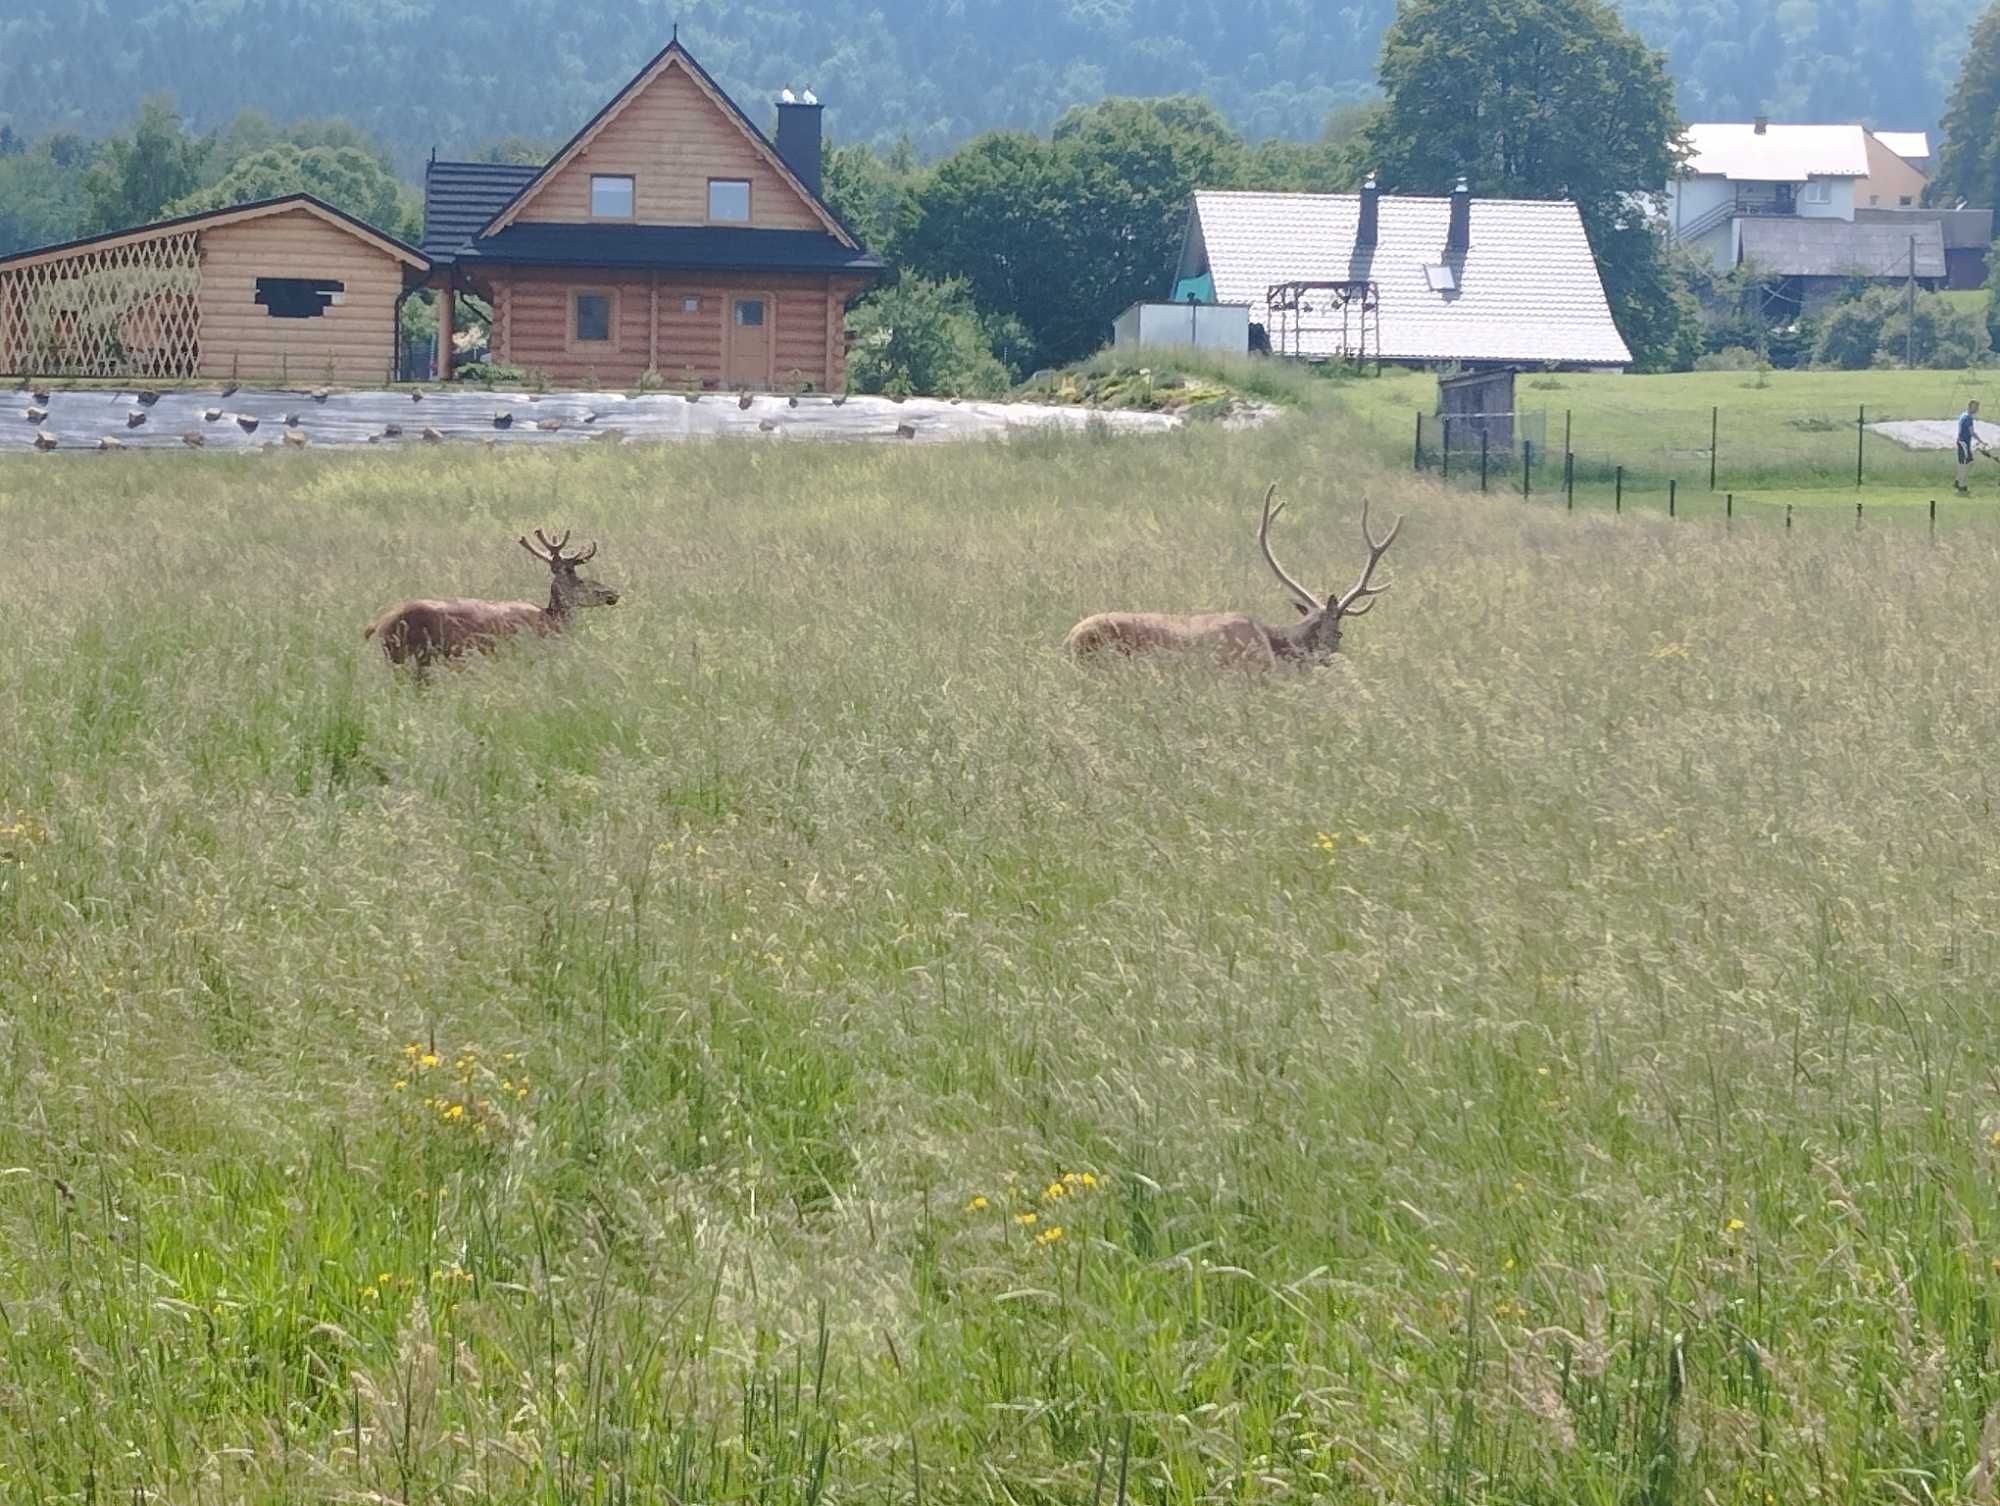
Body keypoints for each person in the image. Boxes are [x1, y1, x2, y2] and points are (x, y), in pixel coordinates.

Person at [1956, 399, 1983, 493]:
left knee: (1968, 462)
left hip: (1963, 442)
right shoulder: (1968, 418)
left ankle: (1958, 481)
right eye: (1975, 407)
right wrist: (1981, 441)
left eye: (1977, 407)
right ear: (1970, 406)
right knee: (1964, 464)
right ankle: (1961, 486)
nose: (1976, 409)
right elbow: (1972, 433)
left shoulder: (1963, 415)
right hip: (1963, 443)